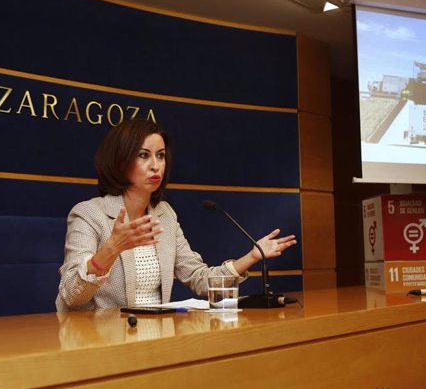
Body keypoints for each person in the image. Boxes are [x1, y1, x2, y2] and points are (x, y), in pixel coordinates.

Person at [56, 119, 296, 311]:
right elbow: (70, 294)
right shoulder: (89, 214)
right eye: (143, 155)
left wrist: (253, 256)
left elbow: (198, 278)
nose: (155, 165)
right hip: (100, 342)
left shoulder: (164, 215)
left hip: (155, 336)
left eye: (160, 155)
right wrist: (111, 249)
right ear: (120, 161)